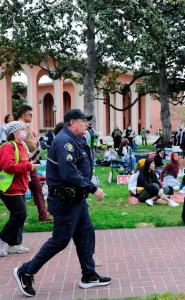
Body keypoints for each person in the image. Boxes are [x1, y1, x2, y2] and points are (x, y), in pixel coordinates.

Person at [13, 109, 111, 297]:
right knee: (60, 240)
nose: (87, 125)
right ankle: (25, 271)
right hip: (65, 200)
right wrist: (93, 188)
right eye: (83, 121)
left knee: (85, 235)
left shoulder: (76, 139)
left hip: (77, 199)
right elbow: (69, 173)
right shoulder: (64, 141)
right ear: (72, 122)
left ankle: (89, 275)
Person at [0, 121, 34, 257]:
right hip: (9, 188)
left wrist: (28, 170)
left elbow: (24, 163)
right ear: (15, 133)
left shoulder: (22, 145)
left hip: (20, 186)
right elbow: (7, 166)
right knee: (20, 214)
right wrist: (28, 167)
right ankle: (3, 240)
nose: (25, 132)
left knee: (17, 215)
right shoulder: (7, 147)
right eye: (22, 130)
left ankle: (15, 244)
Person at [15, 105, 53, 222]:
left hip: (29, 163)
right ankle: (24, 215)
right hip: (23, 163)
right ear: (23, 115)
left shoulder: (25, 126)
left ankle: (41, 214)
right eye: (30, 114)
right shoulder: (19, 127)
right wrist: (35, 143)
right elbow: (28, 143)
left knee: (35, 188)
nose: (32, 116)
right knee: (27, 189)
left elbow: (33, 142)